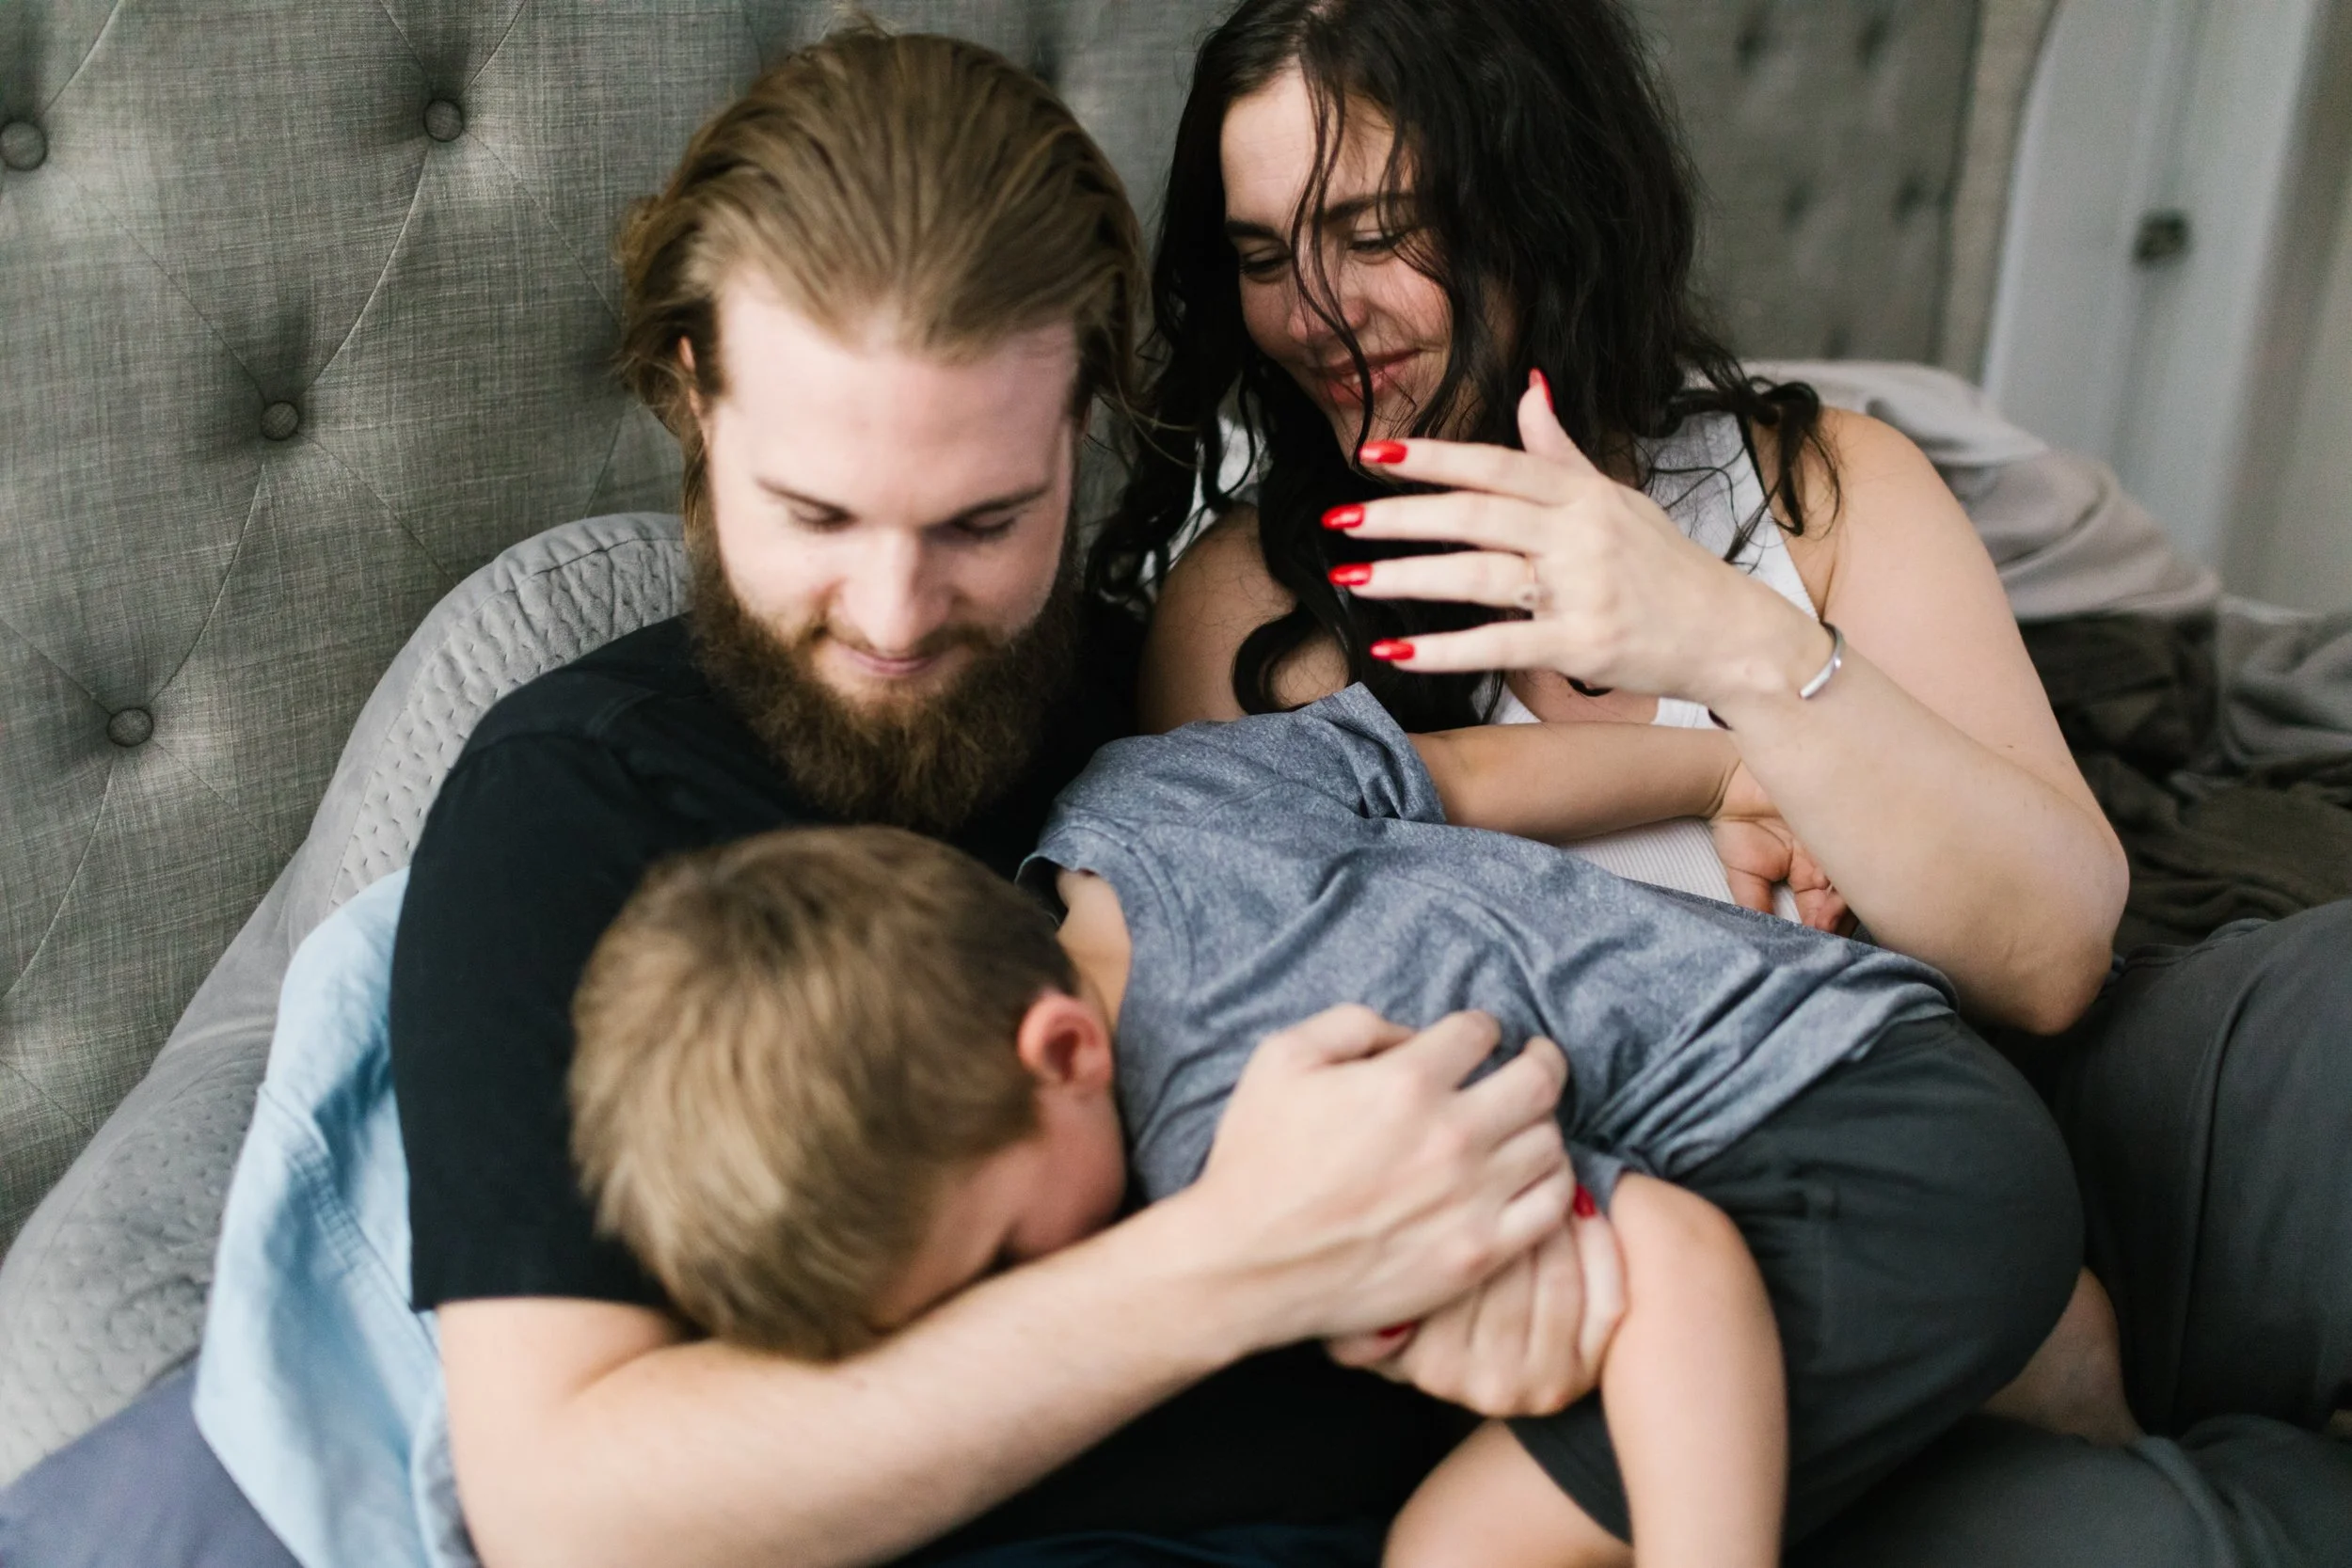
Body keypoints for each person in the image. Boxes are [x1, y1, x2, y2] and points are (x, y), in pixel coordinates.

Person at [389, 27, 1615, 1568]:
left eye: (984, 521)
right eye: (815, 514)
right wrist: (1233, 1261)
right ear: (698, 401)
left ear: (1083, 421)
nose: (896, 614)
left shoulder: (1181, 695)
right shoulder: (575, 810)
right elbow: (567, 1507)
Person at [1098, 0, 2352, 1474]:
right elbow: (1282, 1071)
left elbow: (2057, 954)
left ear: (1542, 204)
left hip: (2009, 1136)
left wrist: (1729, 640)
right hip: (1687, 1301)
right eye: (1260, 256)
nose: (1315, 312)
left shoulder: (1823, 488)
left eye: (1376, 233)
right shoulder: (1250, 614)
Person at [562, 685, 2084, 1568]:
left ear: (1066, 1048)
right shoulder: (1141, 796)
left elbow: (1673, 1255)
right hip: (1898, 1045)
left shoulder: (1256, 1123)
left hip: (1866, 1170)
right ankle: (2084, 1380)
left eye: (999, 1255)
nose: (1021, 1303)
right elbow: (1463, 771)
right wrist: (1728, 763)